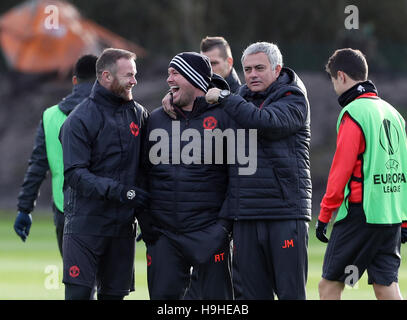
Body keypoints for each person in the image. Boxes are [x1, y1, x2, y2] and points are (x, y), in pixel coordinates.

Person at [206, 41, 311, 300]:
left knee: (291, 295)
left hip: (284, 213)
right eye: (248, 69)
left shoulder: (293, 97)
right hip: (246, 216)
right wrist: (176, 99)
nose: (252, 74)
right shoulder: (239, 98)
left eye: (259, 68)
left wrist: (225, 98)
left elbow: (266, 122)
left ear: (277, 70)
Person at [315, 48, 407, 300]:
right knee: (386, 286)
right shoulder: (394, 114)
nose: (334, 87)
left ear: (341, 76)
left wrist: (325, 214)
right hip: (390, 215)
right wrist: (404, 218)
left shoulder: (354, 113)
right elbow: (403, 168)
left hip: (361, 214)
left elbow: (340, 171)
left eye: (333, 80)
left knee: (329, 285)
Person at [59, 48, 150, 300]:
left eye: (135, 74)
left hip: (122, 229)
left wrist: (147, 217)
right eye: (128, 75)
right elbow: (75, 175)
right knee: (78, 296)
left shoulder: (139, 114)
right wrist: (120, 192)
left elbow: (145, 171)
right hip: (85, 227)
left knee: (114, 296)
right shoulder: (79, 119)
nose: (134, 81)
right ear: (106, 77)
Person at [143, 52, 233, 300]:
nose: (168, 78)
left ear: (195, 79)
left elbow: (238, 178)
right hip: (165, 236)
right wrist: (148, 223)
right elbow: (142, 174)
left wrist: (223, 227)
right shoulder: (155, 120)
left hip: (210, 233)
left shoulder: (225, 117)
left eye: (175, 73)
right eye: (169, 72)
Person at [14, 54, 98, 256]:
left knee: (76, 280)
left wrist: (24, 209)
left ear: (74, 80)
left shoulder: (50, 115)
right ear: (104, 79)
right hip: (105, 210)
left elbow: (37, 165)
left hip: (64, 208)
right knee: (108, 282)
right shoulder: (114, 112)